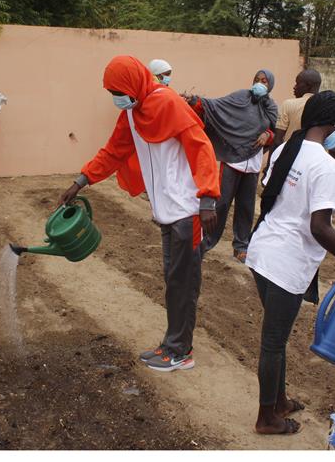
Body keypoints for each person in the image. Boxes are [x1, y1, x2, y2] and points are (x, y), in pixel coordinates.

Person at [58, 55, 219, 372]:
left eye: (117, 90)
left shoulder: (168, 103)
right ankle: (173, 345)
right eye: (111, 92)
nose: (115, 98)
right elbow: (114, 150)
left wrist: (208, 197)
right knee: (174, 279)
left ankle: (179, 352)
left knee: (183, 280)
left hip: (188, 209)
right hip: (165, 210)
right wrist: (81, 181)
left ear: (132, 84)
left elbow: (201, 147)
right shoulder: (133, 112)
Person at [246, 91, 335, 435]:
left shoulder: (287, 149)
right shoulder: (328, 165)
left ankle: (279, 402)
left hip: (263, 251)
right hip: (286, 263)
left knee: (276, 337)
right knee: (273, 341)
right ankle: (266, 418)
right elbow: (320, 225)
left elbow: (270, 194)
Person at [183, 70, 277, 262]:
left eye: (264, 81)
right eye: (257, 80)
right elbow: (216, 107)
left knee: (246, 207)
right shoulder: (240, 97)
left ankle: (241, 246)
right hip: (233, 159)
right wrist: (195, 101)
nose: (260, 83)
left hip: (252, 165)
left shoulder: (271, 107)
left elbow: (274, 129)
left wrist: (268, 135)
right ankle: (206, 242)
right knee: (222, 204)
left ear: (270, 85)